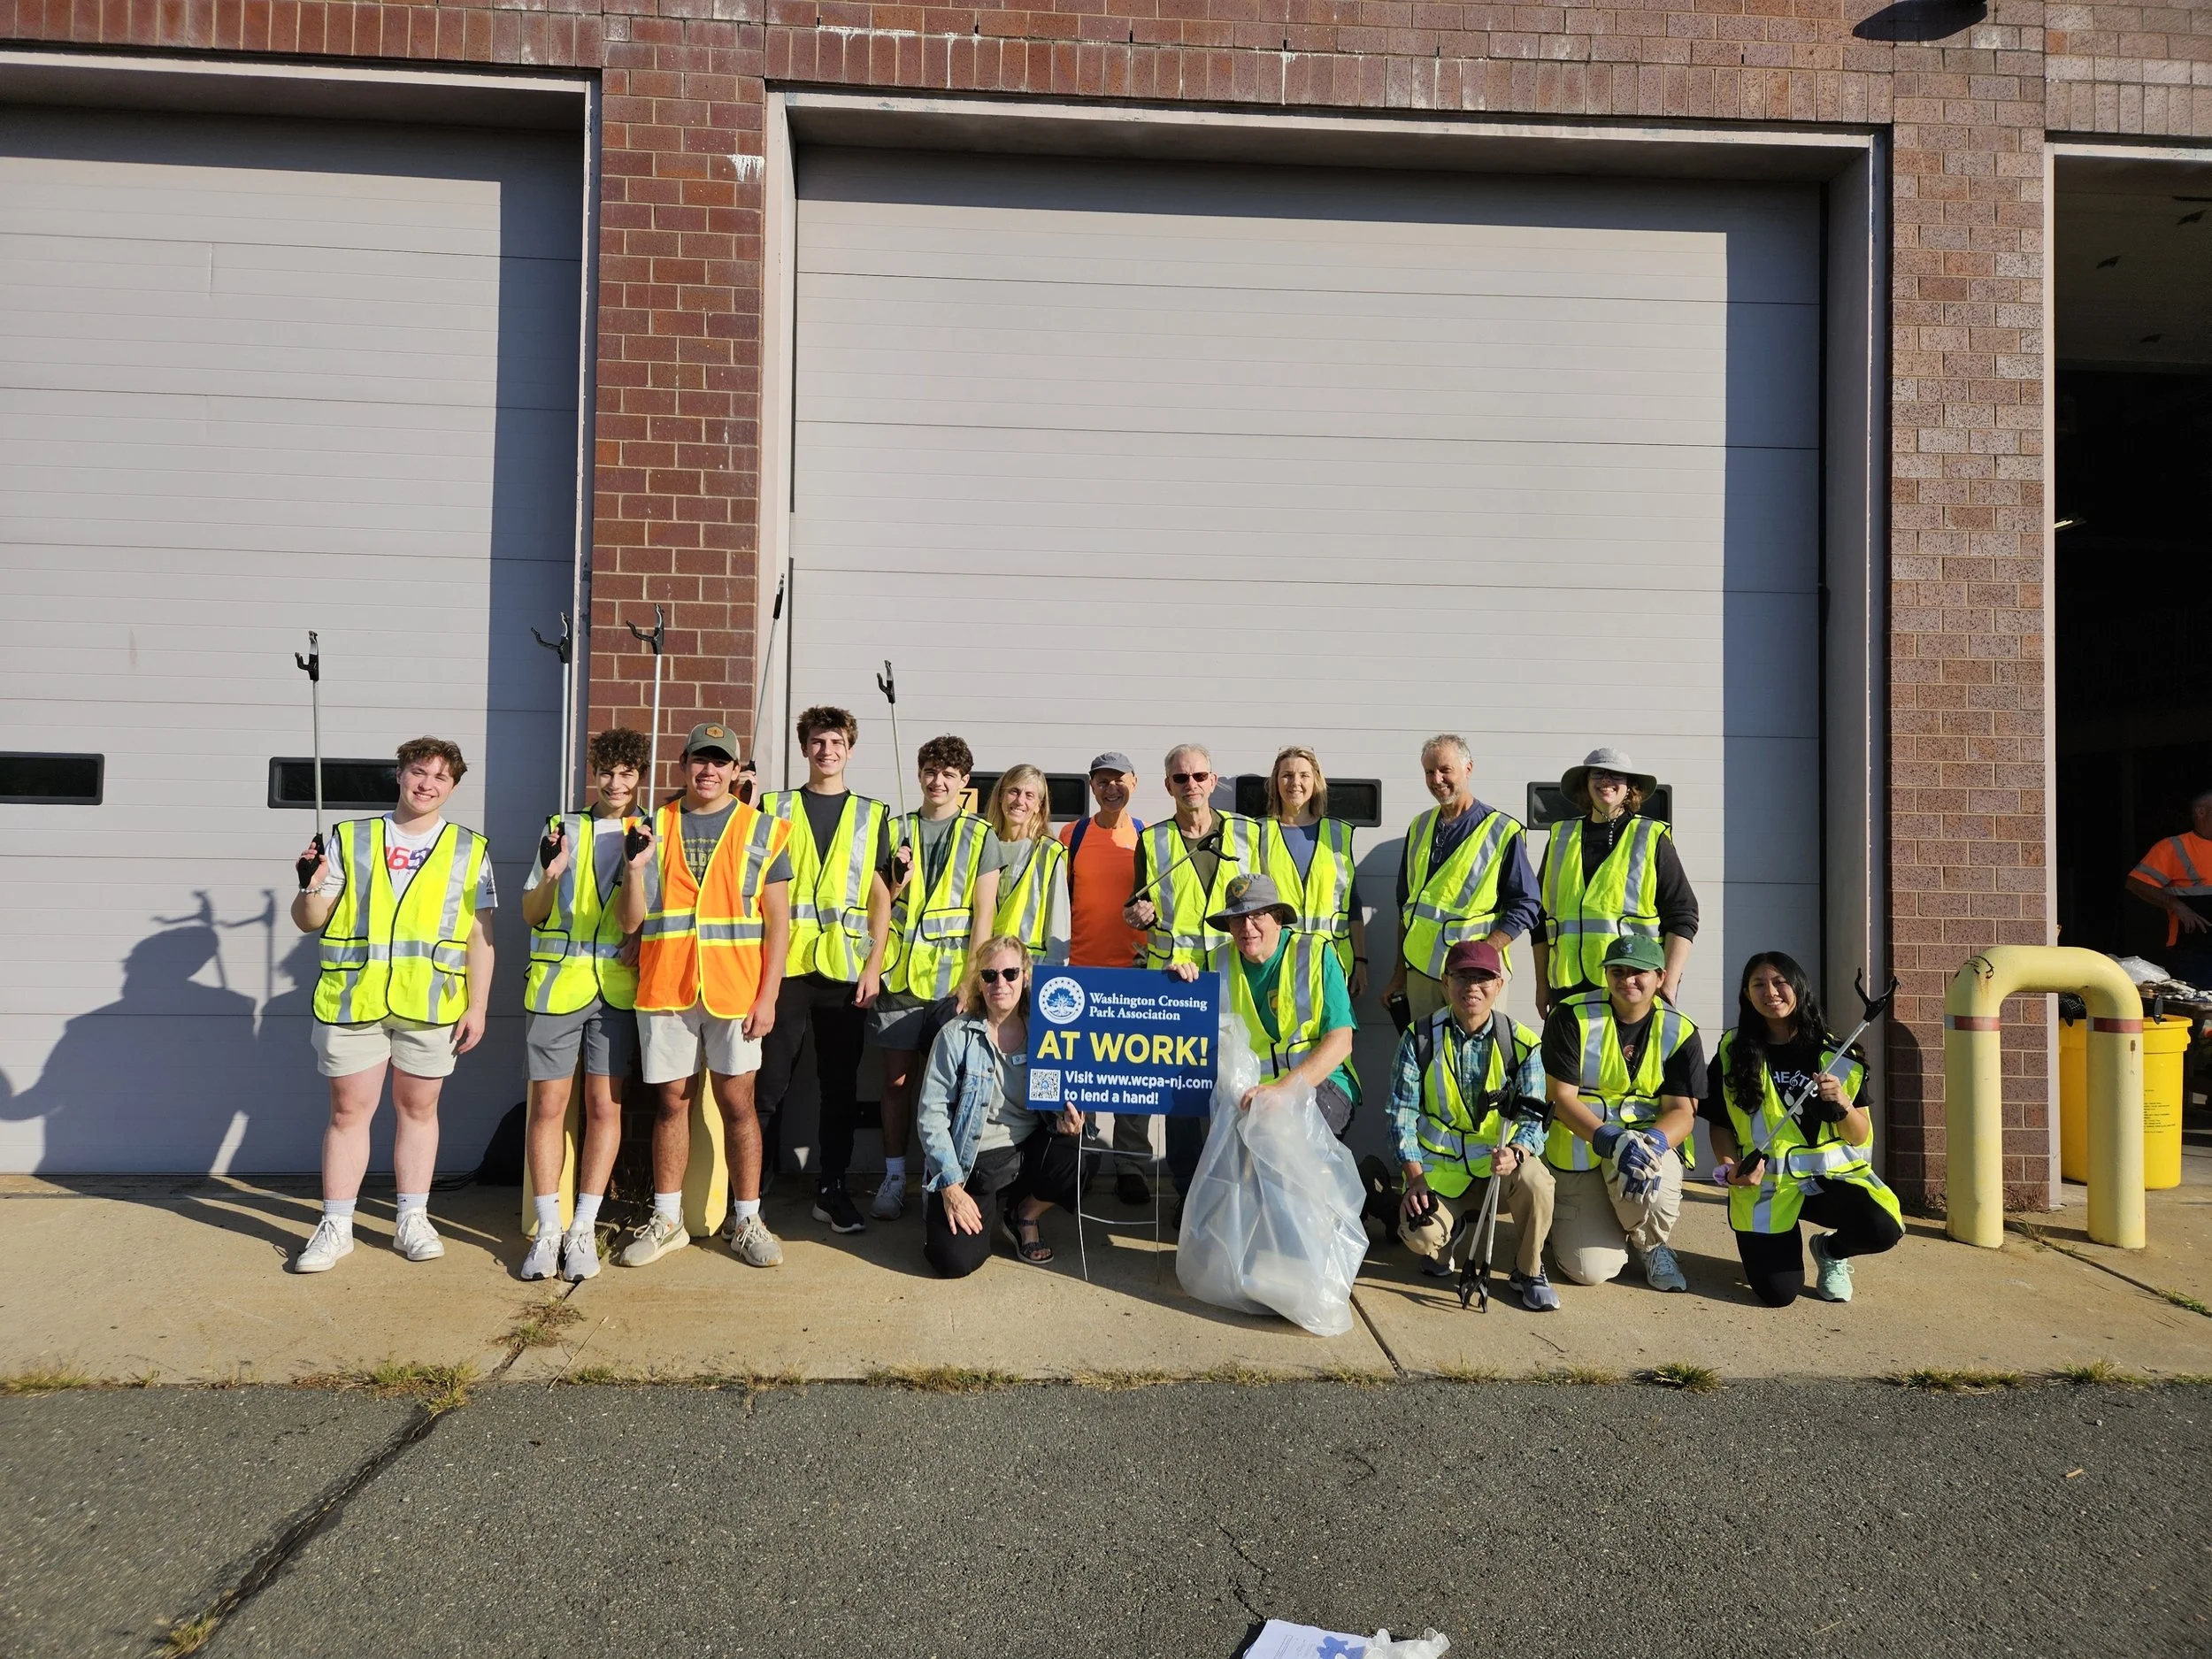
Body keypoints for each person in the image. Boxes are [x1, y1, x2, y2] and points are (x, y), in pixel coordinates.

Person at [287, 737, 496, 1273]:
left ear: (452, 787)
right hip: (354, 1000)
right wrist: (309, 889)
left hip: (431, 1004)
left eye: (441, 778)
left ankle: (412, 1220)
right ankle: (336, 1226)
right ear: (400, 774)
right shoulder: (350, 838)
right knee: (348, 1113)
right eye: (419, 772)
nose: (427, 784)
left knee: (419, 1112)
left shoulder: (471, 848)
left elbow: (481, 934)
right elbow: (308, 921)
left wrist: (478, 1006)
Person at [615, 722, 793, 1269]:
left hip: (736, 992)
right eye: (700, 759)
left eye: (721, 761)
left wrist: (769, 997)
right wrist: (633, 867)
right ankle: (667, 1220)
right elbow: (631, 922)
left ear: (737, 771)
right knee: (671, 1103)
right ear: (684, 763)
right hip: (666, 987)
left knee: (738, 1104)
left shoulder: (765, 831)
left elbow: (779, 926)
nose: (709, 770)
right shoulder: (649, 826)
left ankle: (748, 1218)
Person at [756, 706, 897, 1236]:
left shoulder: (872, 813)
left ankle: (831, 1190)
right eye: (817, 741)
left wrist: (874, 964)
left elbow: (883, 897)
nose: (827, 750)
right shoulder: (772, 807)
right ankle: (753, 1194)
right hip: (784, 970)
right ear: (804, 748)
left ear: (850, 749)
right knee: (768, 1088)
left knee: (839, 1088)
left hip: (843, 973)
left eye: (836, 742)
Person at [517, 727, 649, 1282]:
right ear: (594, 773)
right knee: (547, 1108)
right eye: (607, 773)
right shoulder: (560, 827)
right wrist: (550, 875)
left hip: (614, 990)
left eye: (627, 774)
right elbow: (531, 912)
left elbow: (632, 924)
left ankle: (582, 1229)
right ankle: (548, 1230)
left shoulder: (648, 833)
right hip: (555, 987)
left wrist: (637, 869)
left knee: (605, 1109)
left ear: (640, 776)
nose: (615, 784)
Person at [1704, 952, 1902, 1306]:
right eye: (1758, 985)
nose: (1771, 992)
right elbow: (1719, 1122)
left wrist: (1841, 1103)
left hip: (1830, 1185)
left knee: (1882, 1227)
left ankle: (1831, 1251)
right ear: (1746, 995)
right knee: (1779, 1294)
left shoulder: (1839, 1055)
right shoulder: (1732, 1052)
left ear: (1799, 987)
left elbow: (1859, 1136)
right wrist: (1728, 1167)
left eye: (1780, 982)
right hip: (1766, 1188)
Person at [863, 733, 1005, 1223]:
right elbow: (879, 904)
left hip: (952, 988)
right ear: (919, 774)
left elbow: (984, 915)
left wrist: (974, 983)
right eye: (930, 771)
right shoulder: (895, 828)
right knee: (897, 1082)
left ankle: (945, 1179)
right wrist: (872, 966)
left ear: (965, 783)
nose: (937, 781)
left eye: (949, 774)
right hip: (899, 982)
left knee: (952, 1088)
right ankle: (895, 1175)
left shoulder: (980, 835)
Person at [1392, 941, 1560, 1310]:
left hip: (1499, 1170)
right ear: (1444, 982)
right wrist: (1414, 1176)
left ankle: (1528, 1271)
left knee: (1538, 1181)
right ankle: (1448, 1235)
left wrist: (1517, 1152)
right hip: (1439, 1175)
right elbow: (1401, 1114)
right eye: (1462, 976)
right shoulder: (1418, 1038)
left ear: (1499, 985)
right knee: (1420, 1236)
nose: (1473, 986)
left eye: (1483, 978)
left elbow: (1535, 1120)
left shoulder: (1522, 1044)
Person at [1540, 934, 1704, 1292]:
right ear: (1606, 974)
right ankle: (1584, 1222)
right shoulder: (1571, 1016)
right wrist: (1611, 1140)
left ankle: (1651, 1246)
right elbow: (1561, 1098)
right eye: (1617, 971)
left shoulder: (1680, 1029)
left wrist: (1655, 1143)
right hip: (1584, 1147)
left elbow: (1682, 1111)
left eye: (1638, 973)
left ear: (1660, 977)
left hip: (1645, 1145)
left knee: (1653, 1186)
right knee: (1589, 1271)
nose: (1626, 980)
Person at [913, 935, 1084, 1277]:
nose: (1000, 983)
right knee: (953, 1262)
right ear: (979, 981)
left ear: (1025, 975)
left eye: (1010, 973)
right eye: (990, 975)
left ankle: (1025, 1215)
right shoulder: (955, 1035)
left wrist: (1069, 1121)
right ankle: (977, 1210)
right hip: (972, 1164)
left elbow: (1116, 1011)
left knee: (1079, 1154)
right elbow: (931, 1116)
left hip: (1028, 1153)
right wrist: (949, 1186)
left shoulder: (1048, 1029)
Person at [1532, 747, 1698, 1019]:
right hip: (1568, 986)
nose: (1606, 780)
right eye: (1598, 773)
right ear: (1585, 784)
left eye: (1616, 775)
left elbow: (1683, 916)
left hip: (1630, 986)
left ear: (1630, 787)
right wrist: (1541, 985)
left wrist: (1667, 984)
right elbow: (1539, 921)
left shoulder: (1651, 837)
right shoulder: (1561, 837)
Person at [1385, 734, 1540, 1025]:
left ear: (1468, 769)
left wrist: (1484, 953)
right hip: (1422, 973)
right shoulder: (1419, 826)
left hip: (1475, 976)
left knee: (1481, 1059)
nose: (1437, 779)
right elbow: (1406, 907)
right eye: (1429, 772)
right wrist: (1400, 973)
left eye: (1445, 769)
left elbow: (1527, 905)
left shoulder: (1502, 831)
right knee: (1428, 1058)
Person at [1059, 751, 1154, 1204]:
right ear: (1092, 786)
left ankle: (1132, 1165)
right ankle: (1082, 1161)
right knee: (1082, 1079)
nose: (1111, 786)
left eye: (1120, 779)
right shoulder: (1070, 835)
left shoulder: (1149, 839)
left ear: (1135, 782)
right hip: (1079, 974)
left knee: (1133, 1077)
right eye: (1103, 780)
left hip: (1135, 975)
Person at [1214, 873, 1360, 1133]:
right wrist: (1182, 980)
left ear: (1278, 919)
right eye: (1237, 918)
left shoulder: (1316, 952)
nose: (1247, 927)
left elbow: (1341, 1041)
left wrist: (1284, 1091)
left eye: (1257, 915)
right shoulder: (1216, 962)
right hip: (1251, 1095)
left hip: (1321, 1083)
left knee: (1281, 1138)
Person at [1124, 742, 1260, 975]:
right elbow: (1140, 905)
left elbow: (1265, 906)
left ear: (1212, 781)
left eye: (1199, 776)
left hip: (1236, 967)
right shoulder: (1150, 841)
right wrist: (1136, 915)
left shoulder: (1249, 832)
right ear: (1168, 786)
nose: (1191, 784)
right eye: (1180, 778)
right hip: (1175, 975)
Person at [1256, 745, 1369, 997]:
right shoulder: (1256, 833)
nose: (1295, 782)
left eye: (1304, 775)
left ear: (1315, 781)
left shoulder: (1339, 833)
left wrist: (1361, 961)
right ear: (1275, 781)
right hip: (1276, 962)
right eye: (1287, 775)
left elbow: (1353, 903)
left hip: (1333, 962)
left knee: (1334, 1036)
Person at [2125, 788, 2212, 986]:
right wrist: (2177, 906)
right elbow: (2137, 883)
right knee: (2199, 1010)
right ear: (2201, 812)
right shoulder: (2174, 847)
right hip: (2195, 952)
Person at [985, 764, 1066, 962]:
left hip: (1029, 969)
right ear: (1001, 797)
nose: (1020, 800)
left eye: (1029, 795)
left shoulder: (1049, 852)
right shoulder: (981, 845)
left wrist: (1052, 976)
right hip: (986, 967)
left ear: (1039, 805)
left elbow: (1059, 926)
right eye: (1014, 791)